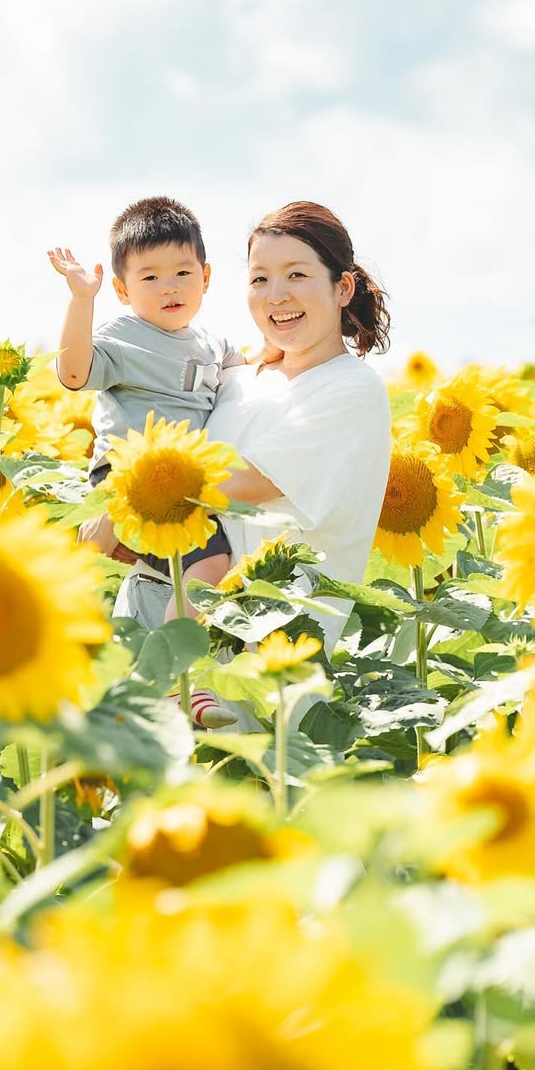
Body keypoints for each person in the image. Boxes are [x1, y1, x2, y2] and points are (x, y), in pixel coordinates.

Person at [116, 200, 393, 715]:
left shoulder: (349, 390)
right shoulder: (236, 378)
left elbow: (243, 485)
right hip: (152, 604)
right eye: (260, 278)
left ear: (343, 287)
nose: (276, 295)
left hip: (257, 661)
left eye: (297, 274)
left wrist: (123, 498)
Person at [49, 196, 244, 613]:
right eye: (150, 277)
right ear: (122, 290)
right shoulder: (125, 334)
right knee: (211, 563)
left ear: (205, 278)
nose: (169, 286)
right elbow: (72, 373)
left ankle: (104, 535)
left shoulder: (215, 344)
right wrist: (82, 300)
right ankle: (185, 670)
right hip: (126, 475)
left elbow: (245, 379)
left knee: (209, 562)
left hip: (180, 484)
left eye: (182, 272)